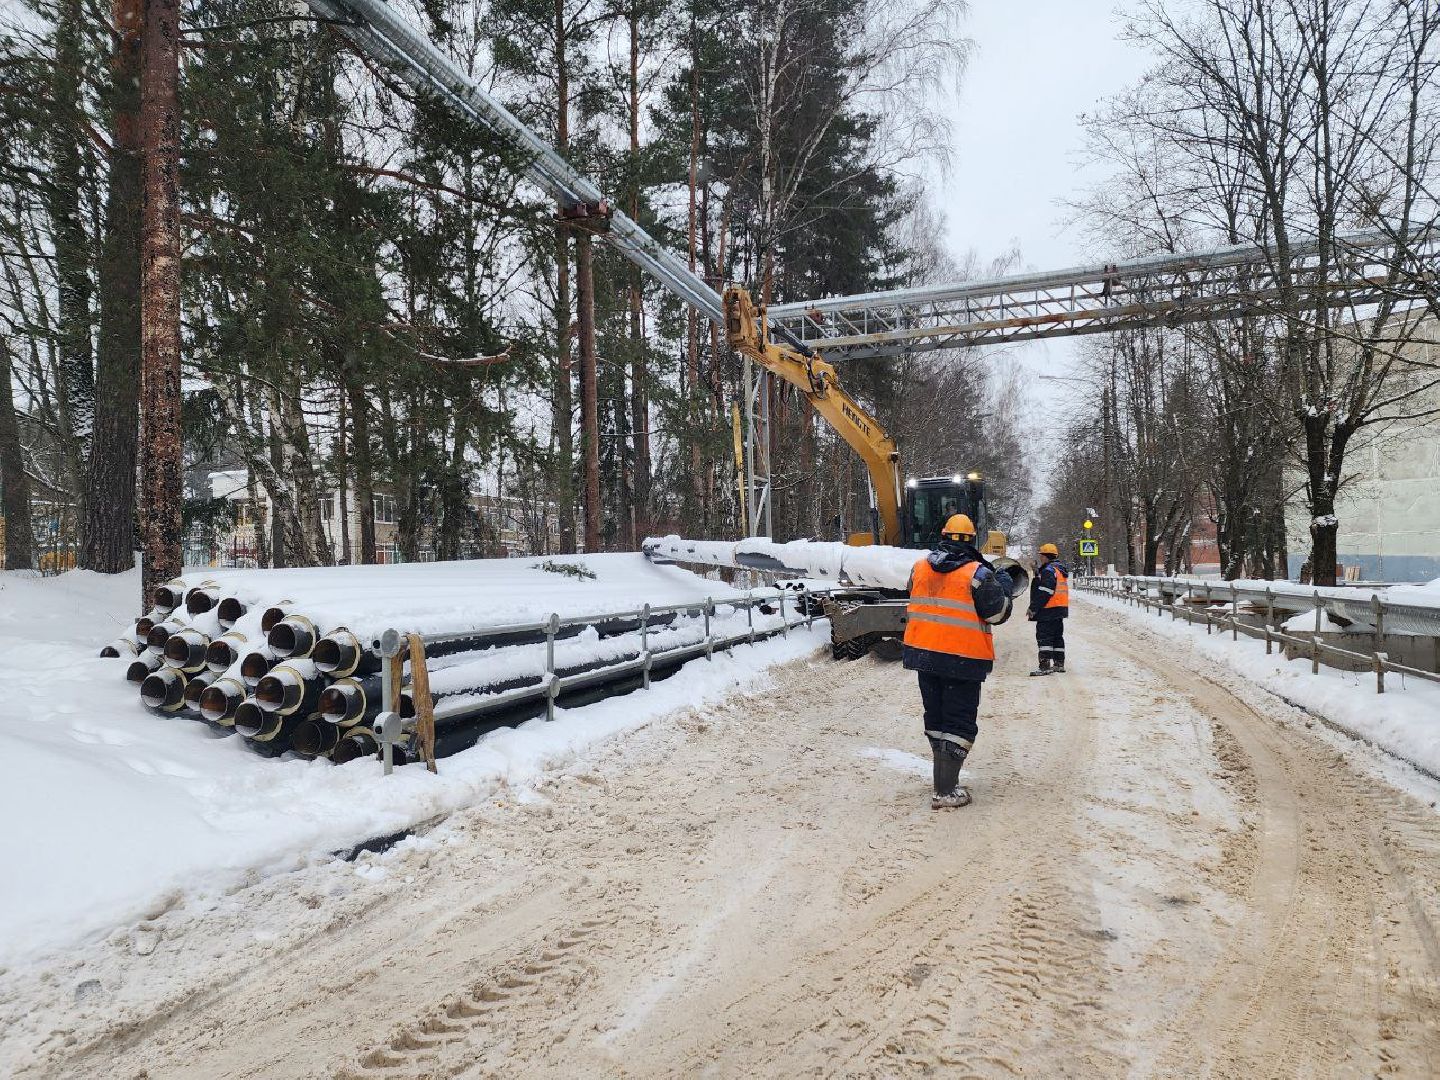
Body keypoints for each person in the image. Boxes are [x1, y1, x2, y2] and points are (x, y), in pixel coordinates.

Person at [902, 513, 1013, 809]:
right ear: (972, 539)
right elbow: (997, 614)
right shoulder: (977, 573)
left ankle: (942, 782)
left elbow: (914, 593)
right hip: (962, 659)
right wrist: (1001, 586)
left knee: (936, 718)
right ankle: (946, 790)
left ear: (943, 535)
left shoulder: (919, 567)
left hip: (924, 655)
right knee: (958, 723)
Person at [1027, 543, 1070, 675]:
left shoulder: (1049, 570)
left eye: (1041, 556)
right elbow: (1046, 582)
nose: (1040, 558)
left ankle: (1044, 666)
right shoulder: (1058, 569)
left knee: (1044, 636)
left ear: (1046, 556)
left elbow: (1045, 590)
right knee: (1057, 636)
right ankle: (1059, 664)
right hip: (1059, 609)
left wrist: (1033, 608)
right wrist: (1036, 572)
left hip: (1048, 609)